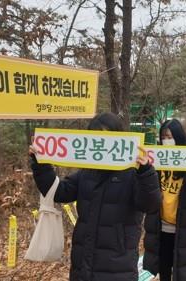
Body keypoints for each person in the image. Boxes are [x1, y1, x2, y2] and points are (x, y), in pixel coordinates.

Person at [29, 112, 161, 281]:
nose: (103, 143)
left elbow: (150, 204)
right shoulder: (86, 172)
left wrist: (146, 172)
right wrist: (41, 166)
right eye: (97, 137)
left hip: (117, 268)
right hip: (82, 265)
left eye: (108, 137)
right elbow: (58, 192)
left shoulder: (133, 172)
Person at [143, 119, 186, 281]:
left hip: (185, 228)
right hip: (161, 227)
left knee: (184, 273)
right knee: (164, 269)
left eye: (170, 136)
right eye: (164, 137)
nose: (166, 140)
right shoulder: (156, 160)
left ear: (179, 137)